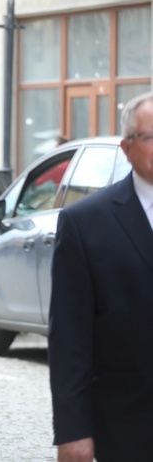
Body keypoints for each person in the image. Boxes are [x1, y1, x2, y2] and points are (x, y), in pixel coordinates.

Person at [48, 92, 153, 462]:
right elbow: (69, 339)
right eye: (151, 136)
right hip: (127, 425)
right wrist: (73, 431)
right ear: (127, 148)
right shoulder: (86, 223)